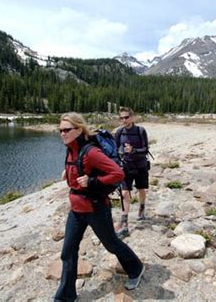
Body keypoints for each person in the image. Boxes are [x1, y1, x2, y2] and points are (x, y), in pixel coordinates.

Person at [54, 112, 145, 302]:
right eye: (60, 130)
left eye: (66, 130)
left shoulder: (91, 152)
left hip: (96, 209)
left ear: (79, 130)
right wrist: (68, 172)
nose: (62, 133)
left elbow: (118, 174)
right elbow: (78, 168)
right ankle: (65, 297)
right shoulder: (70, 149)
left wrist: (93, 181)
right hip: (77, 210)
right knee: (68, 252)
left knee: (111, 244)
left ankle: (136, 268)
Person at [114, 107, 150, 238]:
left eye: (126, 117)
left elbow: (146, 149)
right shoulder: (119, 132)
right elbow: (114, 150)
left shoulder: (140, 131)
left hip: (140, 165)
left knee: (141, 189)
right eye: (121, 118)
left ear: (132, 117)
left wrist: (134, 150)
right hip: (126, 166)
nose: (124, 120)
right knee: (124, 193)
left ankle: (141, 208)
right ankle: (124, 223)